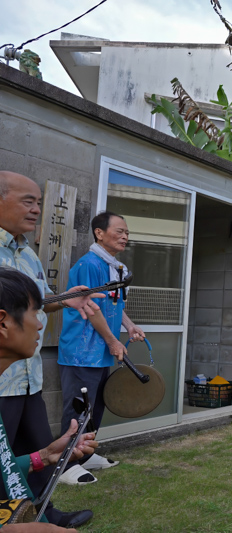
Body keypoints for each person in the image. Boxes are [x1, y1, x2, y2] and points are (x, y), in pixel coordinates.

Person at [0, 171, 101, 528]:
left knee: (40, 447)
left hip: (30, 378)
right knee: (4, 460)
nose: (36, 209)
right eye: (28, 201)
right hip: (3, 380)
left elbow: (39, 302)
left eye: (39, 202)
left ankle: (45, 513)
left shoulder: (27, 253)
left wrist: (70, 300)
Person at [57, 213, 145, 486]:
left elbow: (115, 306)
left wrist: (128, 326)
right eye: (119, 231)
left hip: (101, 352)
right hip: (82, 351)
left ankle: (85, 455)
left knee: (96, 408)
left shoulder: (114, 266)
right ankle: (66, 464)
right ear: (99, 233)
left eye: (127, 233)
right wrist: (112, 340)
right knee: (78, 410)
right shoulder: (90, 264)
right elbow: (91, 308)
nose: (125, 236)